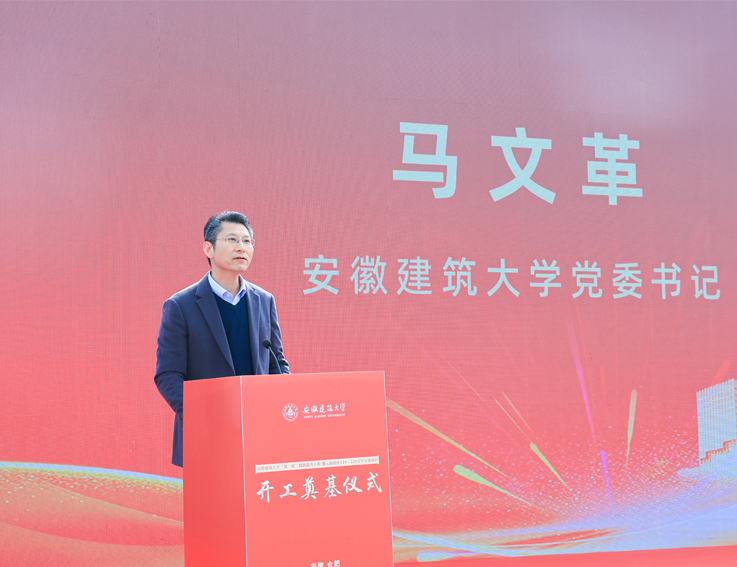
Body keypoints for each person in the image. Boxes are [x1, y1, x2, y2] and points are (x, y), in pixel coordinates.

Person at [154, 211, 289, 467]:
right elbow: (168, 375)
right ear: (209, 248)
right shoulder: (180, 306)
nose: (241, 247)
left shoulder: (264, 300)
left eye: (247, 241)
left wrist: (279, 403)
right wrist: (203, 417)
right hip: (206, 436)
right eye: (232, 239)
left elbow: (277, 363)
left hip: (258, 434)